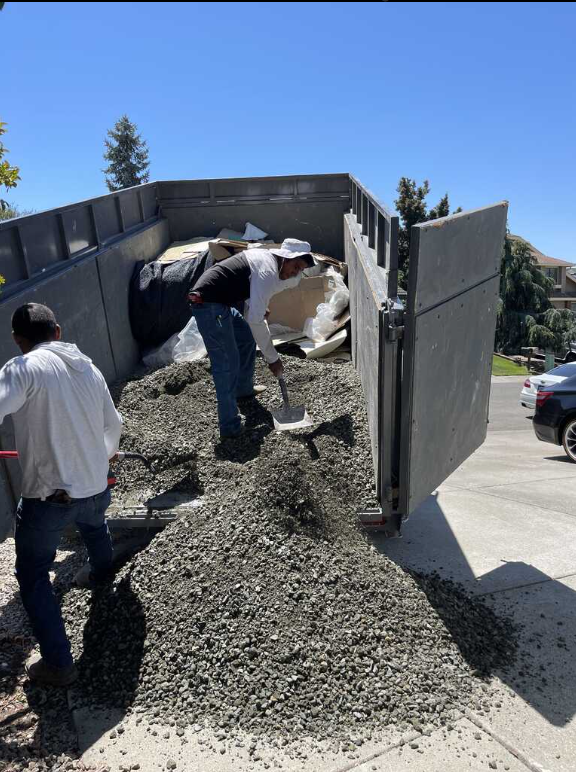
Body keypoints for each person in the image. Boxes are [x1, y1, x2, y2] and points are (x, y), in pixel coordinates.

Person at [0, 303, 122, 687]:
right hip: (97, 486)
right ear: (57, 330)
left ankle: (58, 663)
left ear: (19, 341)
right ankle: (104, 577)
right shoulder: (89, 367)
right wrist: (96, 463)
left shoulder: (22, 369)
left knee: (34, 572)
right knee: (94, 527)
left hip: (50, 501)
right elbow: (114, 425)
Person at [188, 238, 315, 438]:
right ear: (284, 258)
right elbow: (256, 320)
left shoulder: (269, 261)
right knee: (227, 363)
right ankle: (230, 426)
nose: (295, 272)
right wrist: (272, 358)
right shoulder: (267, 271)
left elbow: (247, 285)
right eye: (295, 266)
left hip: (222, 302)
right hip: (208, 303)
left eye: (300, 270)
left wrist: (259, 308)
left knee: (246, 337)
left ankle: (243, 389)